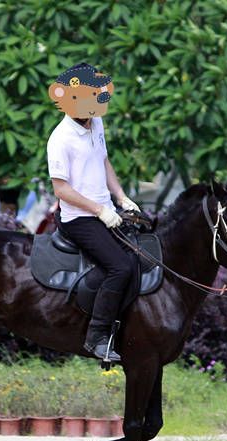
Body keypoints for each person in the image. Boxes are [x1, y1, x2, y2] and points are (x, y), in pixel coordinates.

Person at [46, 62, 140, 363]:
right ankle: (97, 337)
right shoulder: (60, 139)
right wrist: (99, 210)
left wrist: (122, 198)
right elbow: (61, 190)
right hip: (79, 219)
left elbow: (103, 161)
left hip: (106, 211)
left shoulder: (95, 123)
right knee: (120, 267)